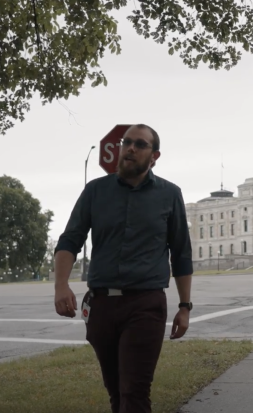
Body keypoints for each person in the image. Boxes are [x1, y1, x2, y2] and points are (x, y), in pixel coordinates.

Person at [53, 124, 193, 413]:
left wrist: (185, 306)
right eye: (126, 142)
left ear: (154, 156)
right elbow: (69, 240)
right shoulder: (95, 191)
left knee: (135, 392)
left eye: (139, 144)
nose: (130, 147)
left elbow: (181, 253)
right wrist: (61, 285)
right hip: (101, 306)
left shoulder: (169, 194)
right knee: (116, 391)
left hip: (145, 304)